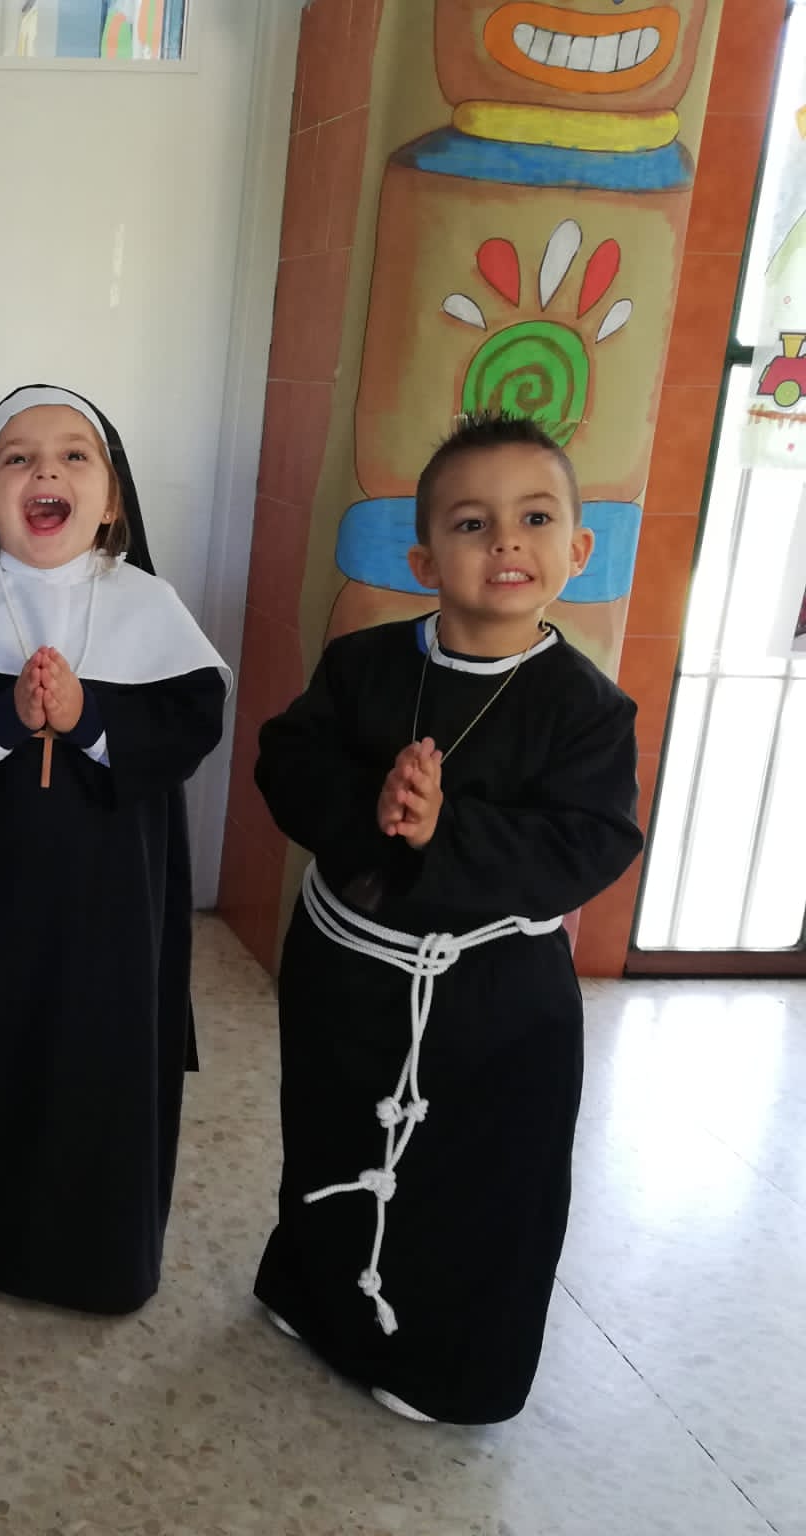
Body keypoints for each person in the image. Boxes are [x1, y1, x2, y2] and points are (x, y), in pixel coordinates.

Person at [251, 411, 642, 1425]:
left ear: (577, 549)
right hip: (346, 977)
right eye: (472, 523)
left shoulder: (588, 711)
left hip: (491, 1007)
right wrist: (372, 808)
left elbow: (591, 843)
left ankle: (440, 1368)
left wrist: (444, 831)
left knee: (472, 1185)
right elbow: (286, 759)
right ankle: (310, 1293)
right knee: (330, 1136)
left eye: (534, 518)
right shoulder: (362, 666)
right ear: (424, 559)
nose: (505, 541)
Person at [0, 385, 228, 1312]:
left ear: (111, 502)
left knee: (98, 1063)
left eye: (74, 455)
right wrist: (8, 716)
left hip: (110, 906)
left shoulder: (147, 603)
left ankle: (94, 1258)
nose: (45, 471)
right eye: (17, 458)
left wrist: (89, 718)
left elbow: (192, 721)